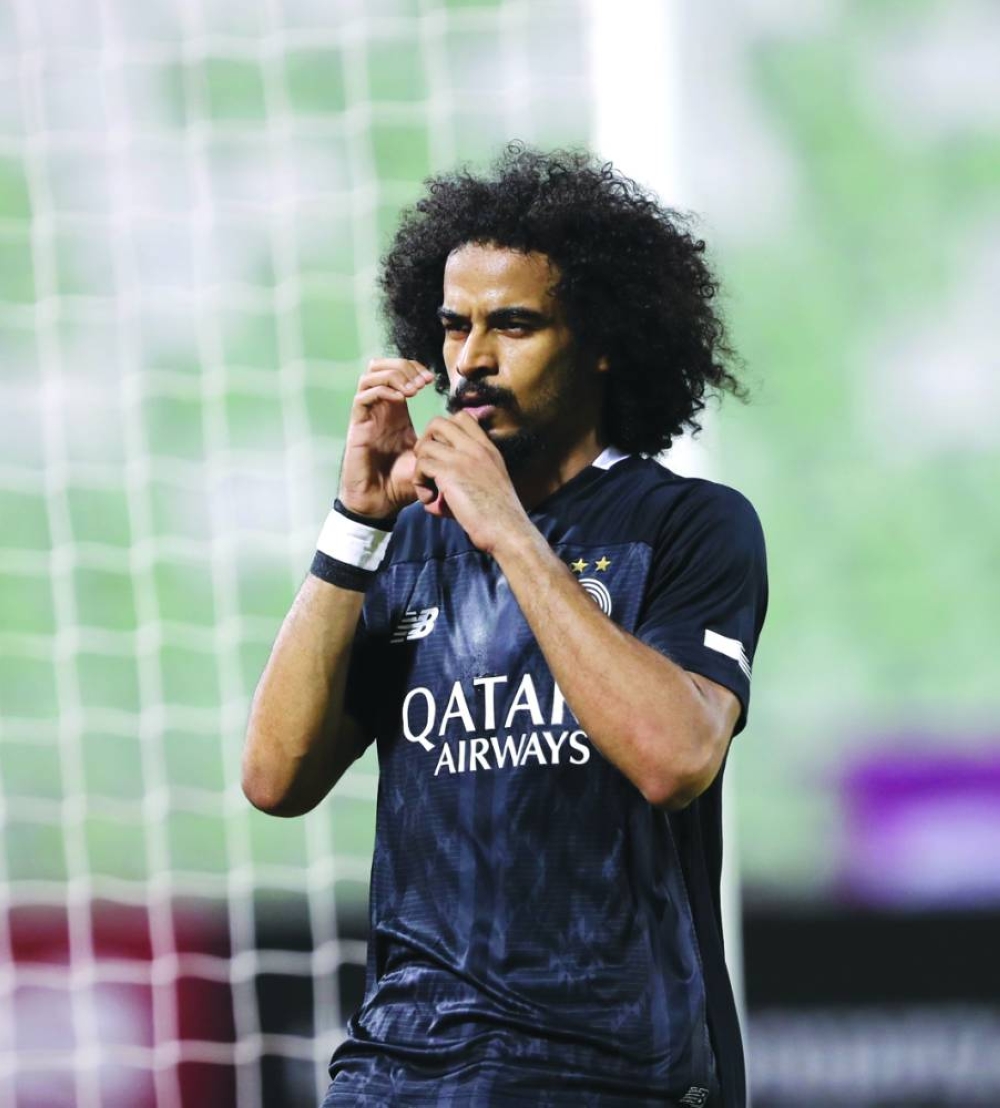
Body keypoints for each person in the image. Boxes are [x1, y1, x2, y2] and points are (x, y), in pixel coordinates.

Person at [242, 145, 767, 1108]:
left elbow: (676, 756)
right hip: (396, 1072)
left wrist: (513, 534)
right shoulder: (404, 547)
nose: (470, 361)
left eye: (513, 325)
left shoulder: (689, 525)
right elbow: (275, 779)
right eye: (453, 328)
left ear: (603, 339)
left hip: (611, 1074)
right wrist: (356, 521)